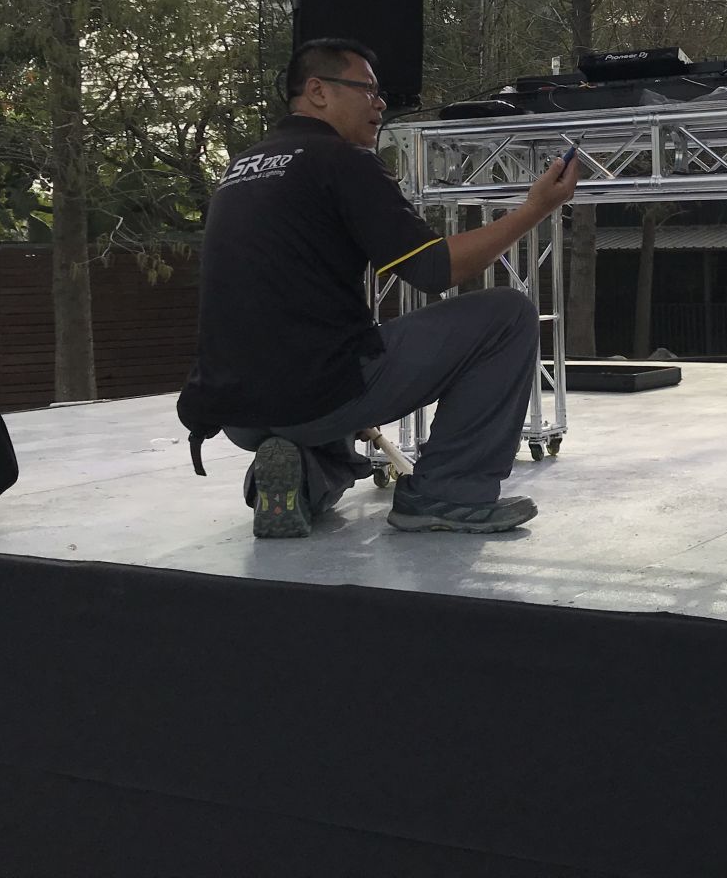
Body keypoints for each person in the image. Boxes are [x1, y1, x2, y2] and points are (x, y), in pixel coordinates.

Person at [177, 37, 580, 538]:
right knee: (507, 315)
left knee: (336, 445)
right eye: (367, 90)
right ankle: (448, 492)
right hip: (313, 392)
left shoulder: (240, 168)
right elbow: (433, 270)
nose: (381, 104)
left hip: (234, 408)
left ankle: (291, 477)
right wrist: (535, 208)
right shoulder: (340, 160)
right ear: (318, 91)